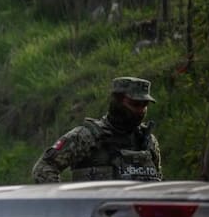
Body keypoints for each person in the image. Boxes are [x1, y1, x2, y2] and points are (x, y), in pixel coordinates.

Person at [31, 76, 162, 183]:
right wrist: (64, 204)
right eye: (134, 104)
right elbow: (44, 168)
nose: (140, 111)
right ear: (117, 101)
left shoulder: (147, 141)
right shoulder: (86, 137)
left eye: (144, 105)